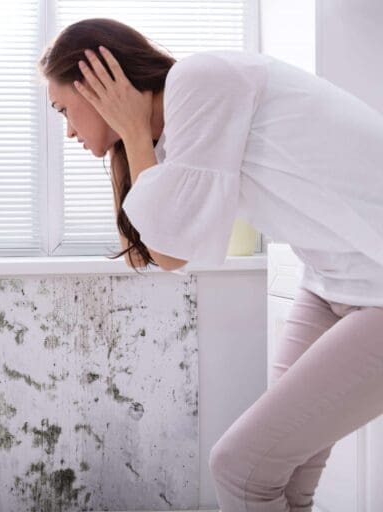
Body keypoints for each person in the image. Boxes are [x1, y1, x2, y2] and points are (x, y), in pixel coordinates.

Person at [38, 17, 383, 512]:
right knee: (281, 477)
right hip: (331, 281)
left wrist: (134, 132)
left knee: (240, 468)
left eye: (63, 109)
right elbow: (165, 254)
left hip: (375, 285)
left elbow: (173, 249)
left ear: (97, 85)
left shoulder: (199, 82)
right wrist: (137, 138)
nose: (68, 130)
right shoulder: (172, 139)